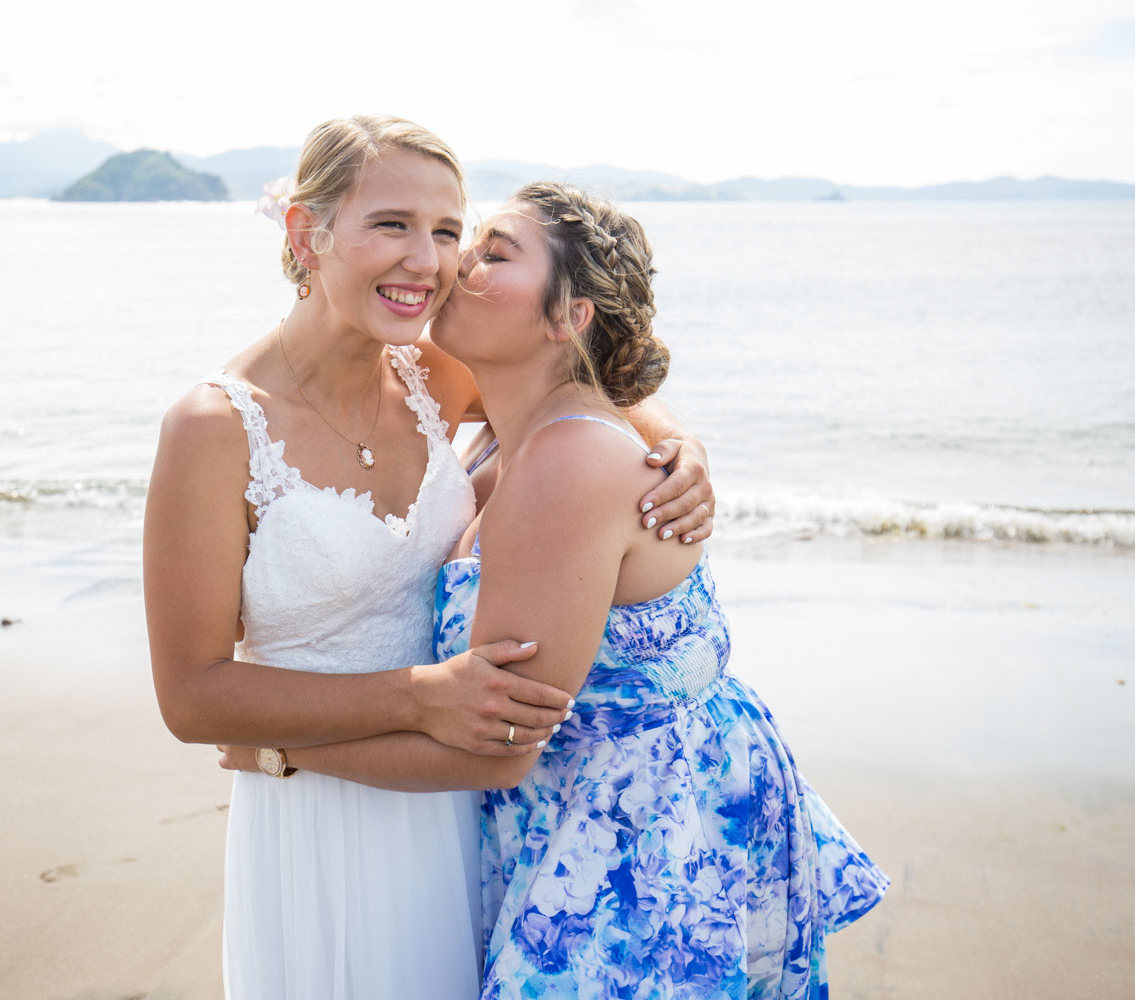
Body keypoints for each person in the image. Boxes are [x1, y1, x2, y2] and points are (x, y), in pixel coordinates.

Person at [222, 182, 888, 998]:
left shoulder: (565, 463)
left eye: (492, 252)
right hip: (585, 818)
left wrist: (283, 753)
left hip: (624, 850)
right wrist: (685, 439)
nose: (454, 262)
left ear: (568, 316)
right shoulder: (511, 429)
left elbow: (499, 751)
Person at [143, 117, 716, 1000]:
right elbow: (191, 697)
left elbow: (584, 379)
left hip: (452, 803)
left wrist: (684, 446)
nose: (428, 260)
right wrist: (415, 698)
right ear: (308, 233)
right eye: (392, 225)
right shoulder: (214, 428)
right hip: (310, 809)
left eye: (449, 232)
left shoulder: (430, 377)